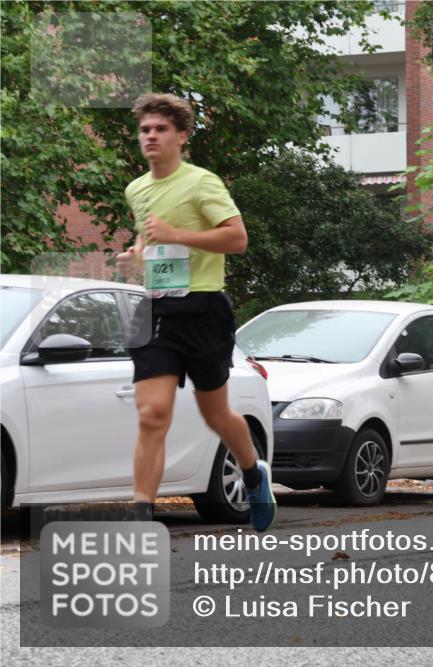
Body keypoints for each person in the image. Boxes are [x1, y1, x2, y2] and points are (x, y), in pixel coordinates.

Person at [116, 93, 276, 530]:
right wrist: (135, 257)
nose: (150, 136)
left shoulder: (202, 183)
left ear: (182, 136)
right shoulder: (136, 189)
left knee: (215, 413)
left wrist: (178, 235)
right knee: (152, 414)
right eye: (145, 130)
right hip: (155, 309)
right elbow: (149, 241)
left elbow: (237, 239)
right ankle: (142, 515)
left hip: (204, 308)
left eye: (161, 129)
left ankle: (252, 472)